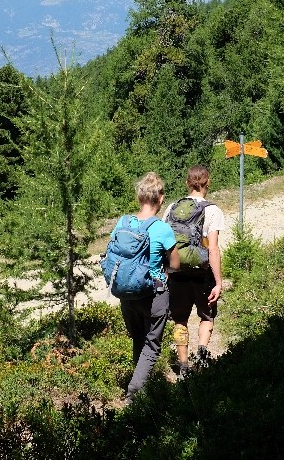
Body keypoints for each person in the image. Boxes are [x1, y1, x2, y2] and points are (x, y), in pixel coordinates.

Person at [115, 172, 179, 402]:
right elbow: (175, 263)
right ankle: (135, 394)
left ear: (139, 196)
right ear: (160, 199)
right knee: (152, 344)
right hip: (154, 293)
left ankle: (140, 386)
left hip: (127, 295)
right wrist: (166, 273)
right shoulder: (162, 229)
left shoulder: (122, 223)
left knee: (138, 340)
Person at [167, 165, 225, 377]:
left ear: (187, 183)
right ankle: (201, 355)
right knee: (206, 317)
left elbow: (165, 244)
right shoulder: (212, 211)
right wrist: (218, 282)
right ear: (207, 183)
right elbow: (213, 249)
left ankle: (183, 366)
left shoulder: (172, 207)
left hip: (176, 274)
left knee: (180, 320)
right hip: (202, 275)